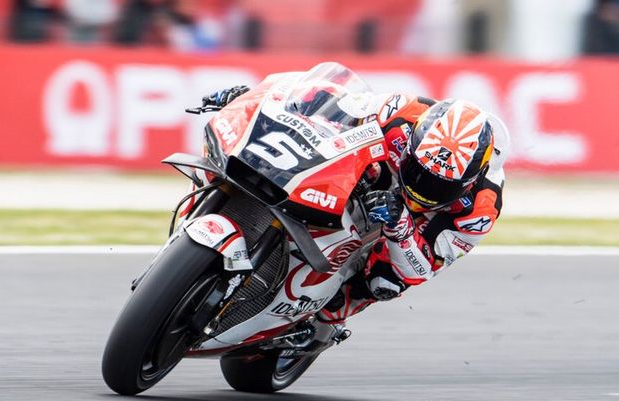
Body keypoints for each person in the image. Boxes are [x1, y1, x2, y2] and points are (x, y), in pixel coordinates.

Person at [202, 83, 506, 323]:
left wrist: (399, 225)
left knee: (384, 283)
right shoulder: (401, 111)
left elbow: (423, 267)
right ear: (414, 139)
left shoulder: (480, 209)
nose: (423, 185)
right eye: (420, 171)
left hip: (409, 225)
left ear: (472, 178)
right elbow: (326, 101)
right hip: (366, 174)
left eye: (439, 185)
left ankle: (320, 324)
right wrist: (252, 100)